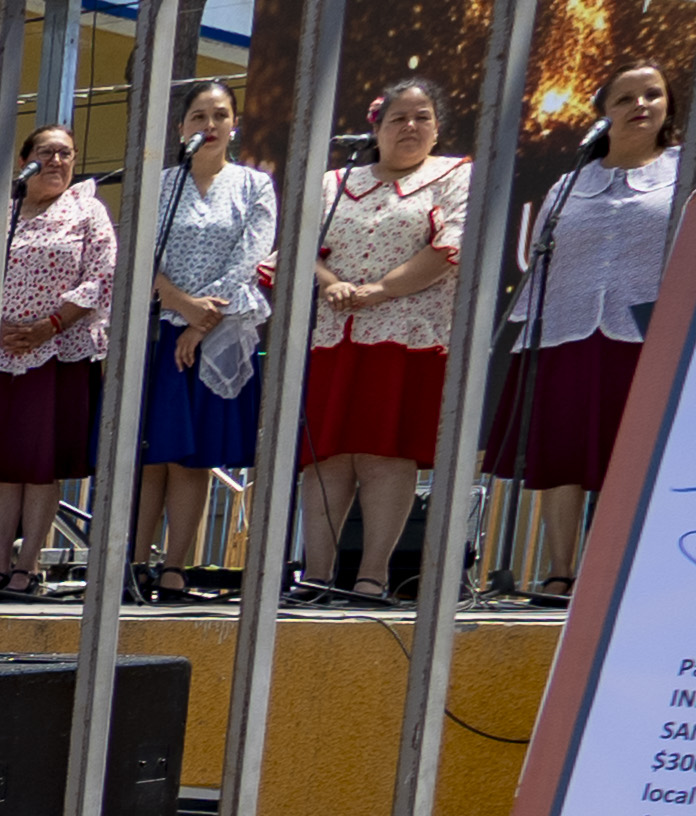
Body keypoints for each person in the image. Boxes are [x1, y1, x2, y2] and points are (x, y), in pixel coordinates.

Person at [487, 63, 680, 602]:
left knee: (636, 456)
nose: (640, 105)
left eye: (652, 95)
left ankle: (621, 572)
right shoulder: (572, 181)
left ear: (669, 105)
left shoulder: (684, 171)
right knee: (563, 452)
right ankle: (560, 571)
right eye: (625, 98)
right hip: (566, 331)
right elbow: (542, 258)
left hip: (647, 336)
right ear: (603, 113)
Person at [297, 79, 466, 605]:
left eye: (422, 117)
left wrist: (380, 290)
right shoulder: (334, 182)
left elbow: (449, 245)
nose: (410, 126)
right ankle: (315, 576)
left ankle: (371, 578)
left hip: (407, 338)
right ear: (377, 127)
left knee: (386, 453)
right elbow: (300, 245)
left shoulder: (455, 175)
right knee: (326, 455)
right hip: (334, 336)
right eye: (398, 118)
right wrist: (332, 284)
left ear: (437, 127)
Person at [135, 80, 277, 603]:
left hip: (217, 333)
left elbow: (252, 256)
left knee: (189, 456)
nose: (209, 125)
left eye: (220, 115)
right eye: (198, 116)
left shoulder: (254, 185)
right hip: (158, 330)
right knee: (150, 453)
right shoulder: (160, 185)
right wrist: (178, 302)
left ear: (234, 125)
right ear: (181, 128)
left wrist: (200, 321)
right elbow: (140, 252)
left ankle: (174, 567)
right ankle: (133, 564)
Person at [0, 126, 114, 599]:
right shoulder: (1, 215)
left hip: (60, 351)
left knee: (41, 464)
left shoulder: (87, 211)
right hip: (3, 353)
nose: (58, 160)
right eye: (47, 152)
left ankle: (27, 567)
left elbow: (102, 275)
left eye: (66, 153)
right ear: (25, 161)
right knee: (5, 465)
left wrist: (50, 325)